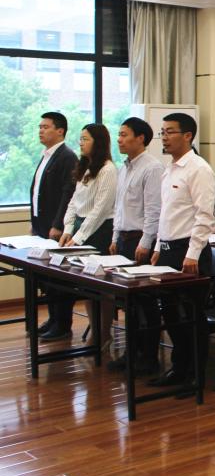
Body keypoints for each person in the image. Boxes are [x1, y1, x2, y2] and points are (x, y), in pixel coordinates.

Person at [148, 113, 215, 388]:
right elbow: (167, 213)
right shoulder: (170, 169)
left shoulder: (198, 169)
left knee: (191, 316)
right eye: (162, 132)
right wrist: (157, 246)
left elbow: (205, 216)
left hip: (188, 251)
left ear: (187, 136)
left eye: (170, 132)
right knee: (171, 314)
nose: (164, 137)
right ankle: (179, 368)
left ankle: (196, 376)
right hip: (168, 249)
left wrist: (193, 253)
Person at [46, 124, 117, 342]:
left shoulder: (108, 169)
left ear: (98, 142)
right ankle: (95, 328)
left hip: (99, 231)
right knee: (86, 285)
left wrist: (78, 237)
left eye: (85, 139)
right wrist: (68, 230)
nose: (81, 143)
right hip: (80, 229)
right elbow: (73, 203)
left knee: (100, 285)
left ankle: (103, 334)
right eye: (80, 138)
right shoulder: (85, 167)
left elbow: (100, 210)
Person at [108, 117, 163, 372]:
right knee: (129, 302)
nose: (119, 139)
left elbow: (153, 210)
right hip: (124, 239)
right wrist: (114, 238)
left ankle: (149, 357)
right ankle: (131, 353)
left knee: (145, 303)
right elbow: (119, 207)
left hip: (141, 240)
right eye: (119, 135)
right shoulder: (124, 168)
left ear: (140, 138)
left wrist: (146, 242)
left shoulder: (152, 168)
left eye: (124, 134)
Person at [30, 112, 77, 337]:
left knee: (58, 276)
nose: (41, 130)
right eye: (40, 127)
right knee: (46, 276)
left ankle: (63, 324)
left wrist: (58, 224)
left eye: (45, 127)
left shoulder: (67, 157)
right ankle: (53, 318)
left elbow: (68, 194)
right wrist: (34, 223)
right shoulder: (47, 155)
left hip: (55, 227)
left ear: (60, 131)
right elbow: (38, 192)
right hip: (42, 225)